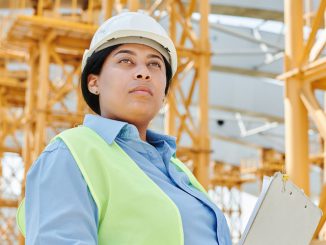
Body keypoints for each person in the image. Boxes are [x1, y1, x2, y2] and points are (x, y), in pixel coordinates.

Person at [17, 11, 231, 245]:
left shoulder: (177, 170)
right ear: (94, 82)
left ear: (164, 94)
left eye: (154, 64)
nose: (143, 72)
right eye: (125, 61)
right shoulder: (71, 154)